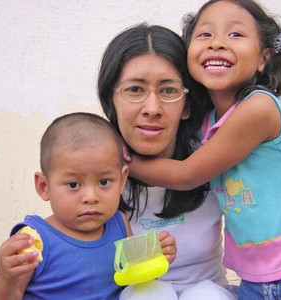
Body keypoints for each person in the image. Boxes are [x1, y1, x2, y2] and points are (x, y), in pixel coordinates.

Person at [127, 1, 281, 298]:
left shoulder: (259, 107)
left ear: (264, 56)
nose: (217, 44)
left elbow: (187, 175)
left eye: (235, 35)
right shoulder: (207, 122)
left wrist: (121, 161)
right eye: (204, 35)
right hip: (258, 277)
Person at [97, 24, 237, 299]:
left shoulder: (213, 158)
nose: (152, 108)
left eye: (168, 90)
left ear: (186, 105)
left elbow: (278, 209)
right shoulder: (94, 167)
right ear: (110, 100)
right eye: (135, 89)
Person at [0, 112, 176, 299]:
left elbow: (132, 284)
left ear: (122, 180)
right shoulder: (33, 240)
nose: (91, 197)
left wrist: (156, 257)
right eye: (73, 185)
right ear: (44, 186)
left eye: (104, 182)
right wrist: (4, 275)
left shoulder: (119, 223)